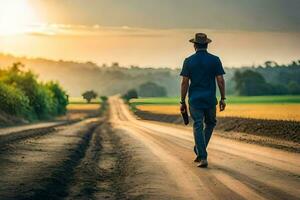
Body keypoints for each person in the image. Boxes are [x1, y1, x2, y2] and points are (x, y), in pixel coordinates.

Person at [180, 33, 226, 168]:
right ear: (207, 44)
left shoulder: (188, 61)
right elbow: (220, 80)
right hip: (210, 99)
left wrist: (182, 101)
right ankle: (201, 151)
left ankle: (201, 154)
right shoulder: (215, 60)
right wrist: (223, 98)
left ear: (194, 45)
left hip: (194, 99)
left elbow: (184, 82)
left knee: (198, 124)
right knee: (210, 123)